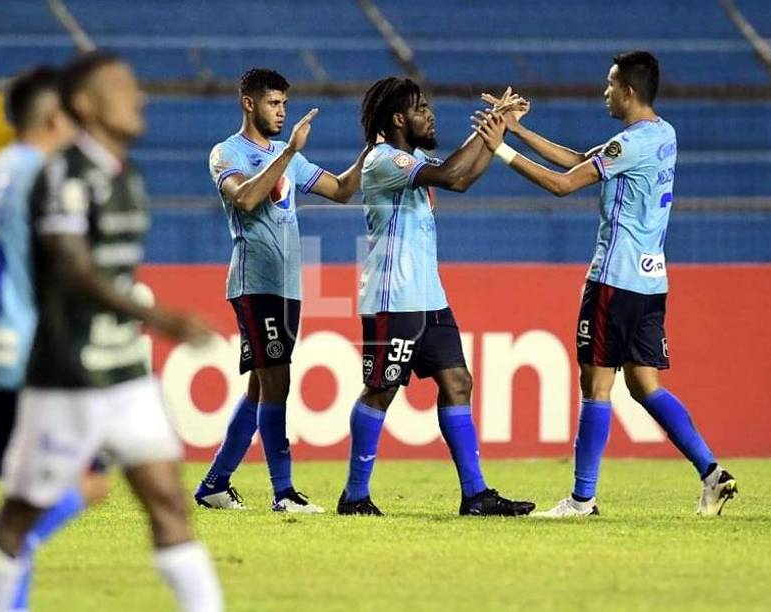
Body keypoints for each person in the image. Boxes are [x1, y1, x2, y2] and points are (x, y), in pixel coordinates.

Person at [0, 51, 223, 612]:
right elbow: (70, 266)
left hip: (125, 373)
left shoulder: (126, 175)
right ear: (85, 103)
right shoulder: (61, 172)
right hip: (67, 376)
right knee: (19, 515)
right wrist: (159, 319)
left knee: (169, 503)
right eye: (123, 87)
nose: (140, 97)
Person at [472, 51, 738, 518]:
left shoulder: (628, 144)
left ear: (628, 91)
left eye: (610, 84)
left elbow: (562, 183)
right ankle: (711, 472)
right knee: (644, 385)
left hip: (614, 281)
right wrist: (517, 130)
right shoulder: (661, 134)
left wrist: (500, 150)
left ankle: (581, 499)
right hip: (652, 282)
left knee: (596, 386)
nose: (604, 92)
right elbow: (582, 159)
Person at [0, 65, 109, 610]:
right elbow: (70, 276)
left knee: (26, 498)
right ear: (53, 116)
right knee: (90, 481)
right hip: (37, 365)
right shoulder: (48, 177)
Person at [336, 76, 535, 517]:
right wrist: (489, 127)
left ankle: (476, 495)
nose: (430, 114)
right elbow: (451, 177)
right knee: (380, 390)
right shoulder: (382, 159)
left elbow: (462, 176)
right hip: (394, 299)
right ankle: (354, 495)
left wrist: (497, 126)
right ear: (397, 118)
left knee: (458, 382)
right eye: (421, 108)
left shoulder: (415, 158)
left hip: (429, 297)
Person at [196, 68, 370, 513]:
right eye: (274, 104)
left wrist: (374, 147)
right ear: (249, 103)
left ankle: (215, 484)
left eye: (284, 105)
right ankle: (284, 492)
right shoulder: (226, 152)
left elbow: (342, 190)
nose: (281, 112)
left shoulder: (286, 155)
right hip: (255, 283)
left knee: (261, 387)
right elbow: (247, 199)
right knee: (277, 380)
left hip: (289, 286)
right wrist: (290, 151)